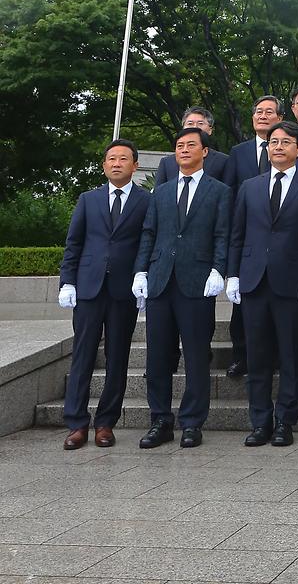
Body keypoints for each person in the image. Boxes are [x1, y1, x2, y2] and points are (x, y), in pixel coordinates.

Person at [226, 121, 298, 447]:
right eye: (273, 142)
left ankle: (285, 421)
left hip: (292, 283)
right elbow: (237, 236)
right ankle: (259, 422)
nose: (278, 147)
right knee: (257, 356)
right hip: (254, 282)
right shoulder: (249, 187)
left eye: (286, 142)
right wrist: (233, 274)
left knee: (290, 355)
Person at [133, 127, 231, 449]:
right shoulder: (160, 192)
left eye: (191, 145)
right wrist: (141, 272)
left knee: (195, 357)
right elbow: (149, 233)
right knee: (157, 358)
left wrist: (219, 270)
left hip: (197, 283)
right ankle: (160, 419)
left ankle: (192, 422)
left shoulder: (219, 191)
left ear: (205, 151)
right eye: (179, 146)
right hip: (161, 281)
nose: (184, 150)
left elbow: (222, 235)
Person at [58, 140, 150, 449]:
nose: (116, 163)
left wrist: (142, 276)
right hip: (88, 287)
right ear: (103, 165)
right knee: (83, 355)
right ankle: (76, 423)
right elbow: (74, 243)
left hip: (123, 290)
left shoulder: (145, 201)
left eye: (123, 159)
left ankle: (105, 423)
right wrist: (67, 281)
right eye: (111, 158)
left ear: (134, 166)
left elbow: (146, 244)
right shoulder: (88, 199)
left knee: (118, 357)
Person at [223, 95, 284, 377]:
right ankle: (241, 355)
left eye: (269, 112)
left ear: (280, 119)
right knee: (243, 306)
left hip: (280, 239)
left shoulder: (290, 149)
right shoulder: (239, 151)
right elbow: (232, 192)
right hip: (248, 233)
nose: (262, 116)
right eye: (258, 111)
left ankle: (274, 357)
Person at [154, 106, 228, 187]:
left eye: (200, 123)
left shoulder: (223, 161)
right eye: (190, 123)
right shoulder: (167, 162)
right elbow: (158, 194)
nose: (195, 127)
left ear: (210, 130)